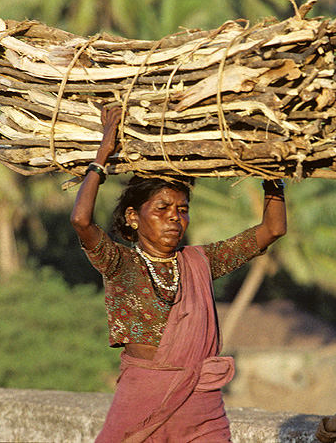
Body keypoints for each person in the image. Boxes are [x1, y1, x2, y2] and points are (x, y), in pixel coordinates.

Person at [70, 105, 287, 442]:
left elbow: (273, 228)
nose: (175, 218)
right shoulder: (119, 262)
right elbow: (81, 221)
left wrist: (271, 172)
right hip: (141, 397)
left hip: (201, 406)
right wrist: (104, 152)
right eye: (162, 209)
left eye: (182, 210)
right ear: (132, 217)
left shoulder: (201, 261)